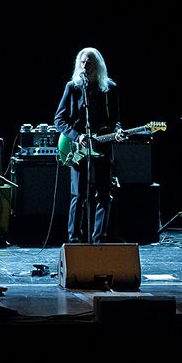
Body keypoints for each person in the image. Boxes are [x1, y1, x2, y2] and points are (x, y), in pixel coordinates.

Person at [54, 47, 124, 243]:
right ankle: (74, 239)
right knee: (79, 195)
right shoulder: (73, 87)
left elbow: (116, 119)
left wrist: (117, 131)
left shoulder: (110, 88)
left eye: (89, 63)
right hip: (78, 148)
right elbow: (59, 120)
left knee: (104, 195)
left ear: (98, 65)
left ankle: (99, 239)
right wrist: (77, 136)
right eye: (82, 62)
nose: (85, 66)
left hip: (102, 146)